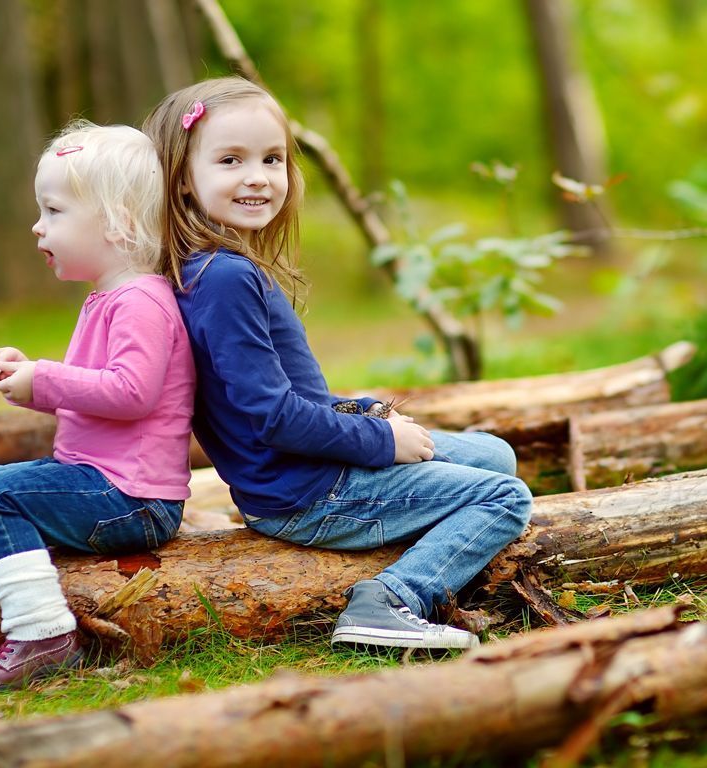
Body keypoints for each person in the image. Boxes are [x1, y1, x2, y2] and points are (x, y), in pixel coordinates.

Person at [143, 77, 532, 651]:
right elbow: (272, 418)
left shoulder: (213, 269)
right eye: (230, 160)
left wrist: (362, 412)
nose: (258, 176)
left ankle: (424, 517)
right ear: (180, 179)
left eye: (272, 158)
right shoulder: (226, 279)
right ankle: (391, 599)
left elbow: (281, 396)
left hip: (305, 470)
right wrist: (380, 443)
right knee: (505, 497)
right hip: (309, 493)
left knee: (494, 455)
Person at [0, 122, 195, 690]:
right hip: (97, 480)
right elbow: (90, 395)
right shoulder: (106, 298)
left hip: (134, 497)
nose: (38, 226)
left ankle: (43, 635)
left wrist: (45, 379)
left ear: (117, 223)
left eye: (54, 211)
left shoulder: (141, 301)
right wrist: (29, 379)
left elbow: (131, 393)